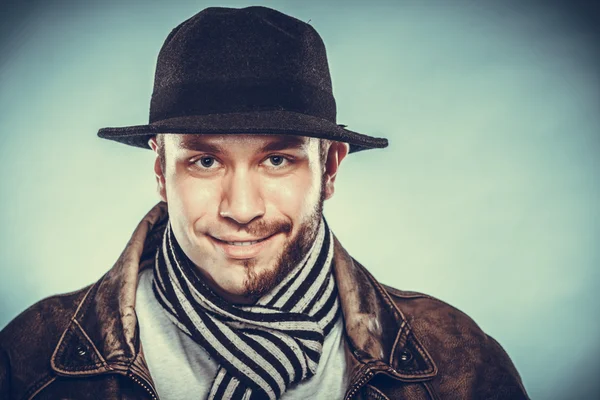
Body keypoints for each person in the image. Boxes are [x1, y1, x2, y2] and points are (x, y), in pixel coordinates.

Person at [0, 6, 529, 400]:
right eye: (204, 162)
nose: (242, 208)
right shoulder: (31, 358)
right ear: (161, 169)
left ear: (331, 168)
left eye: (277, 160)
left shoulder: (456, 360)